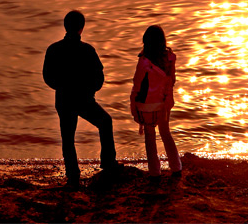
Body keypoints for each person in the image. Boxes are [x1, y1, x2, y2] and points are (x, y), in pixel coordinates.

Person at [43, 10, 118, 188]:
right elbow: (99, 78)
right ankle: (108, 163)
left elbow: (47, 76)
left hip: (63, 98)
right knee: (105, 122)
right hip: (83, 98)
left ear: (65, 26)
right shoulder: (87, 50)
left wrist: (61, 87)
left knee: (67, 137)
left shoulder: (54, 49)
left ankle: (73, 174)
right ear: (81, 28)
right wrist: (89, 90)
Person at [130, 25, 182, 180]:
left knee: (150, 137)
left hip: (147, 106)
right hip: (164, 104)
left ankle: (155, 172)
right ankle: (176, 167)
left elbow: (137, 84)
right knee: (166, 134)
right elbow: (171, 81)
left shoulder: (144, 62)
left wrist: (133, 103)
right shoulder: (169, 59)